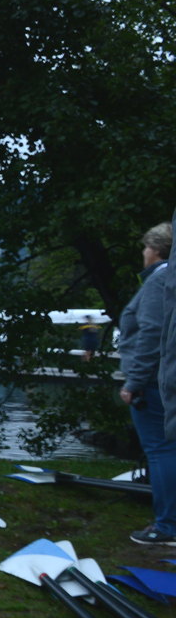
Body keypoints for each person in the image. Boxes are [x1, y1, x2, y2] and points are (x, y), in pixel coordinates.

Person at [119, 222, 173, 544]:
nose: (143, 253)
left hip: (153, 381)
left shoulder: (159, 281)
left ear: (154, 249)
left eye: (144, 247)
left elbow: (151, 334)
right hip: (165, 377)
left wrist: (134, 381)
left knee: (161, 449)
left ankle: (168, 526)